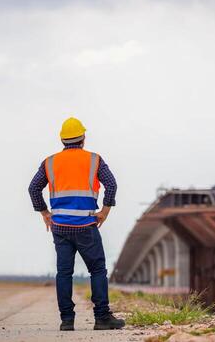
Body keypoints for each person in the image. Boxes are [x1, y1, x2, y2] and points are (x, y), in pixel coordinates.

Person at [28, 117, 125, 331]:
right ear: (83, 138)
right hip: (86, 226)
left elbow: (33, 188)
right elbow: (111, 184)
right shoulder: (94, 160)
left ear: (62, 140)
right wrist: (105, 210)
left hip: (60, 227)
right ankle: (102, 318)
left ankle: (67, 321)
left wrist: (44, 213)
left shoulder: (50, 162)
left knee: (64, 273)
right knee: (97, 270)